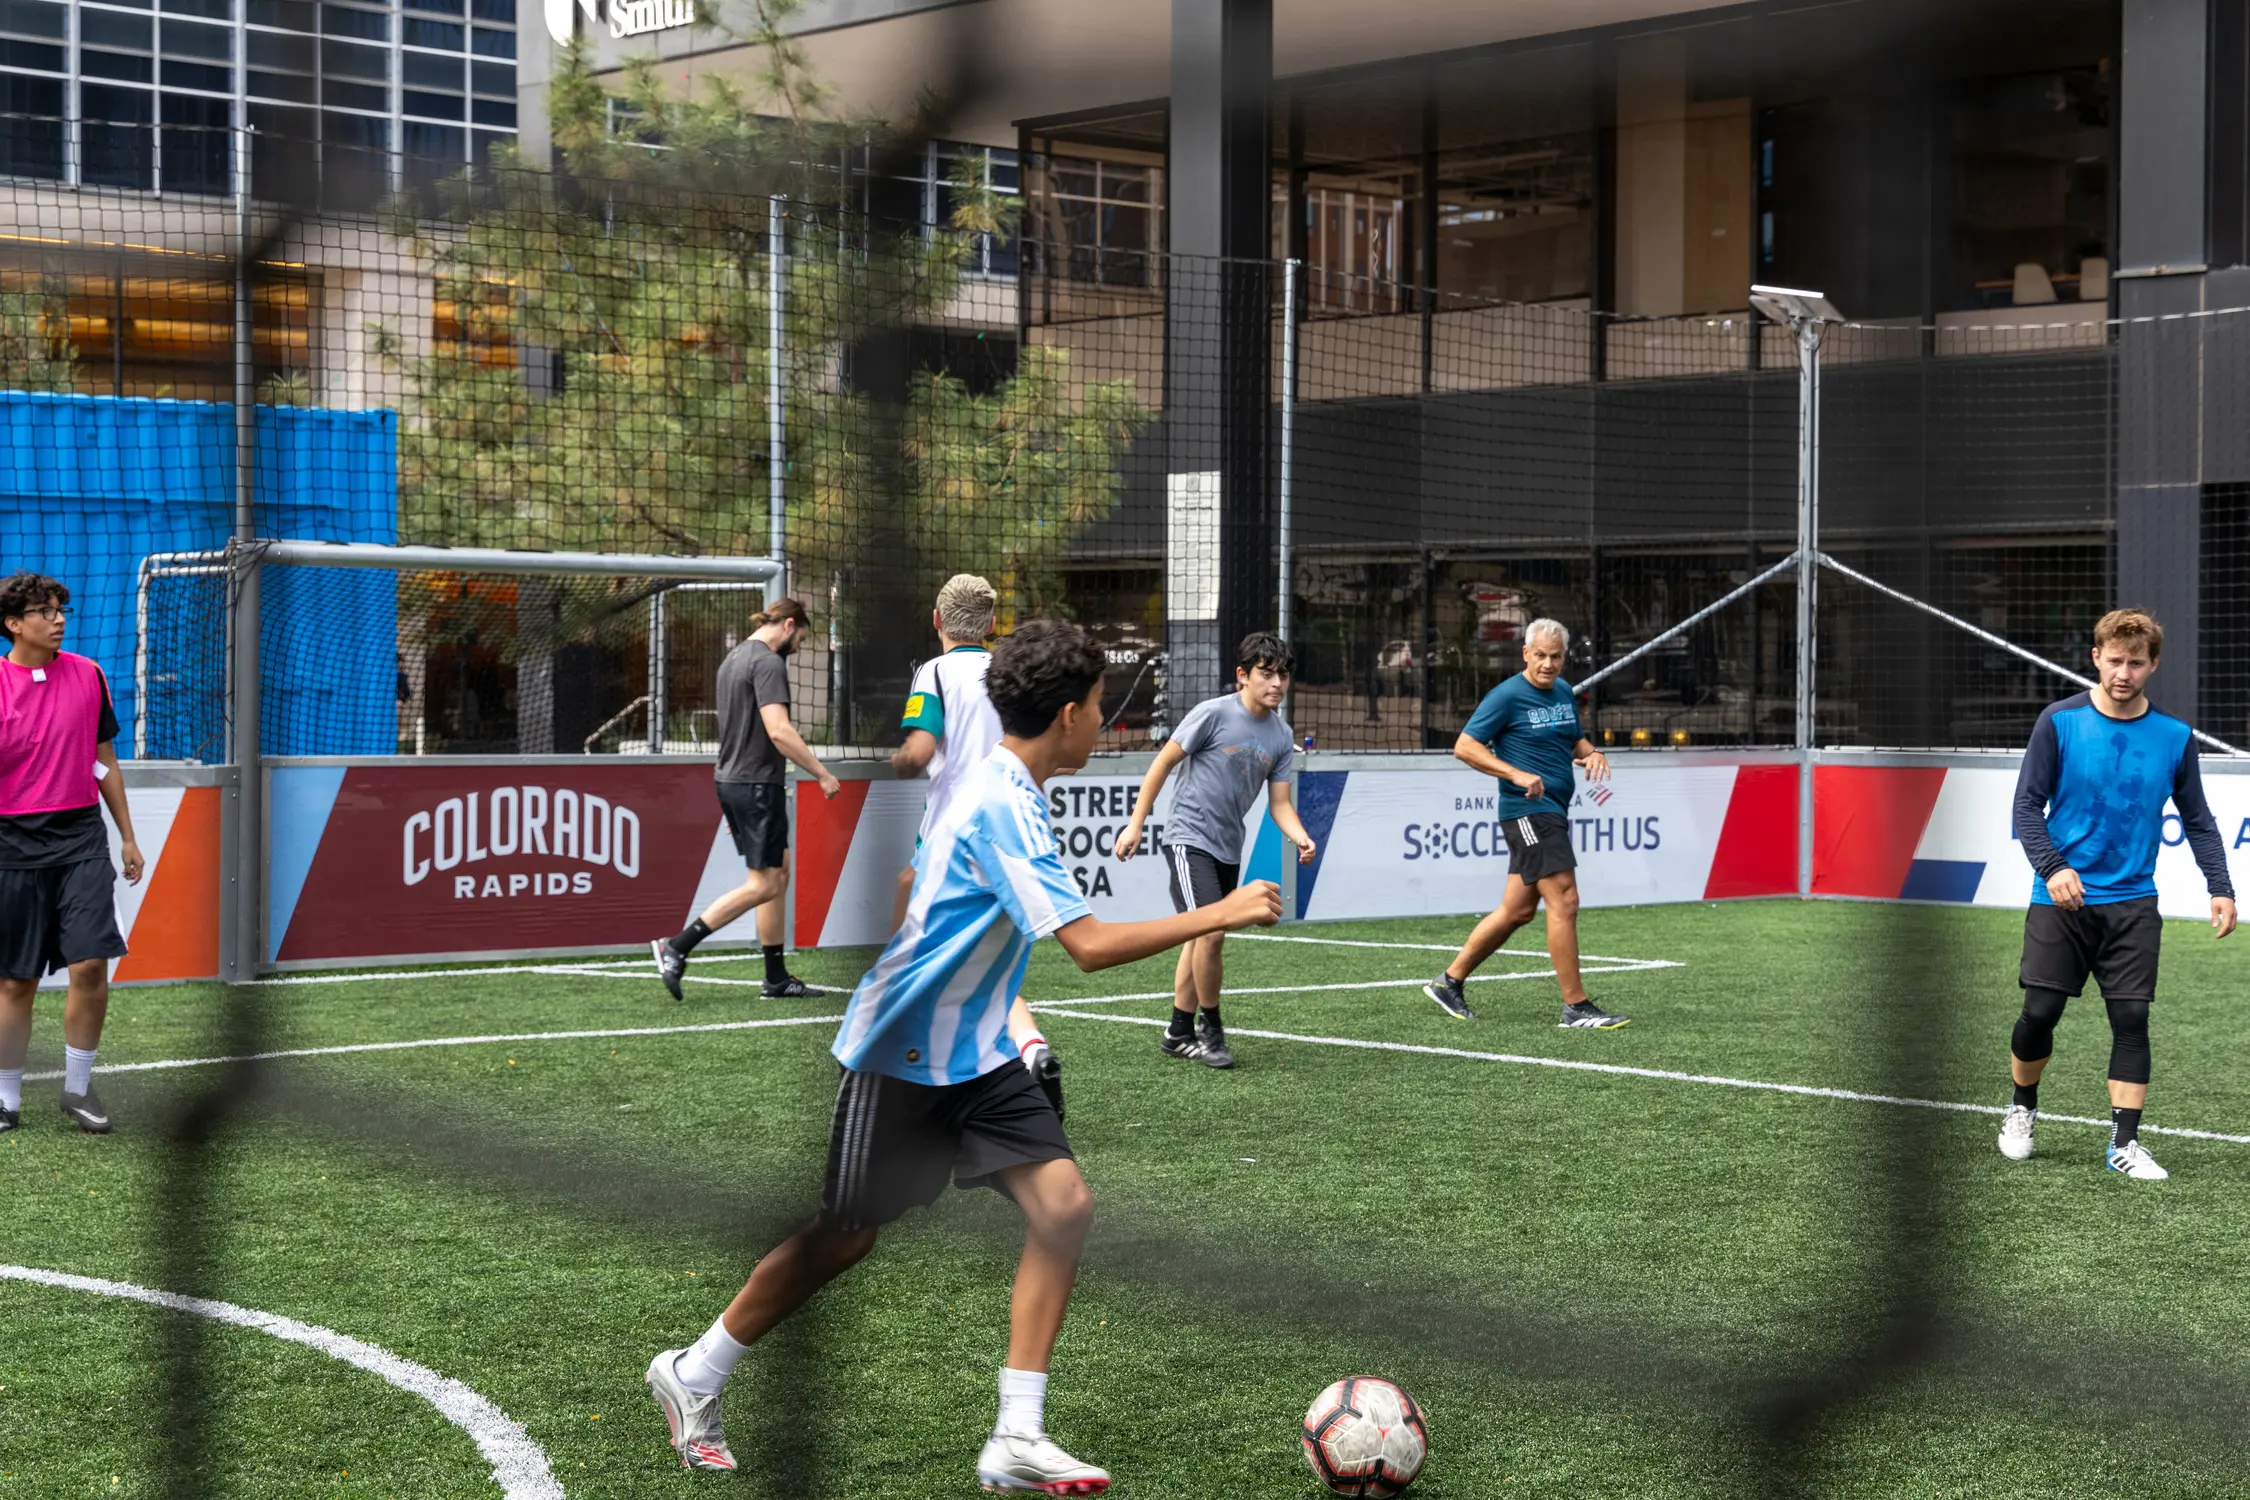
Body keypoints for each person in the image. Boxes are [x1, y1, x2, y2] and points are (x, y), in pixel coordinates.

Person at [642, 620, 1283, 1489]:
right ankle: (695, 1372)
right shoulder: (1007, 803)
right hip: (900, 1049)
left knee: (1063, 1208)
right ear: (1067, 716)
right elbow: (1087, 946)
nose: (1104, 723)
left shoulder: (1007, 785)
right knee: (843, 1237)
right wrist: (1223, 910)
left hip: (977, 1051)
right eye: (1099, 707)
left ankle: (1017, 1434)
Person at [1996, 608, 2236, 1181]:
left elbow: (2198, 820)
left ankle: (2124, 1143)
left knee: (2132, 1018)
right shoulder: (2058, 722)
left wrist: (2220, 887)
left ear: (2152, 665)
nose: (2123, 672)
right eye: (2114, 659)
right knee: (2041, 1010)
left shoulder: (2175, 737)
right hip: (2062, 898)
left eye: (2136, 662)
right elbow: (2027, 806)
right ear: (2095, 657)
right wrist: (2052, 867)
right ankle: (2021, 1108)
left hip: (2132, 902)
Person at [1114, 631, 1316, 1069]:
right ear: (1242, 676)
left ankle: (1177, 1031)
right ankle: (1212, 1027)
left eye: (1282, 675)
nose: (1276, 683)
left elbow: (1279, 804)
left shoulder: (1281, 736)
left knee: (1197, 935)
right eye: (1266, 674)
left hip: (1228, 848)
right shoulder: (1212, 714)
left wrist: (1298, 835)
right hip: (1189, 839)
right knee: (1211, 932)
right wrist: (1136, 824)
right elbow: (1161, 764)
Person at [1422, 619, 1628, 1029]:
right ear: (1525, 653)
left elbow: (1570, 739)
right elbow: (1465, 746)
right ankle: (1576, 1007)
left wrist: (1592, 753)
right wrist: (1514, 774)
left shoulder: (1565, 693)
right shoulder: (1506, 696)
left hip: (1554, 809)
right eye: (1540, 655)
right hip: (1528, 812)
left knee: (1517, 911)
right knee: (1565, 899)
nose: (1547, 664)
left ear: (1564, 657)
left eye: (1555, 656)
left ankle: (1449, 982)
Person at [0, 572, 145, 1134]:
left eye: (61, 609)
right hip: (11, 843)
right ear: (13, 625)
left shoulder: (90, 675)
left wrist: (126, 834)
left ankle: (79, 1090)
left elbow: (102, 760)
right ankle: (6, 1100)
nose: (58, 619)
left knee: (90, 963)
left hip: (81, 839)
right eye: (44, 611)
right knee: (15, 980)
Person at [653, 599, 840, 1000]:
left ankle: (775, 978)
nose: (797, 647)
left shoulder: (733, 657)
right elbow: (779, 731)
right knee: (766, 883)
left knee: (780, 869)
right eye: (800, 639)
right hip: (755, 784)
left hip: (735, 781)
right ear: (789, 625)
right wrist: (822, 774)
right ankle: (678, 945)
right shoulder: (768, 662)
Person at [888, 573, 1003, 934]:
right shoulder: (1008, 671)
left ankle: (892, 985)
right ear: (991, 624)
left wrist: (900, 761)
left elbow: (920, 751)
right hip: (1004, 822)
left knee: (909, 907)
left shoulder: (934, 672)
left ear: (936, 619)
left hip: (952, 823)